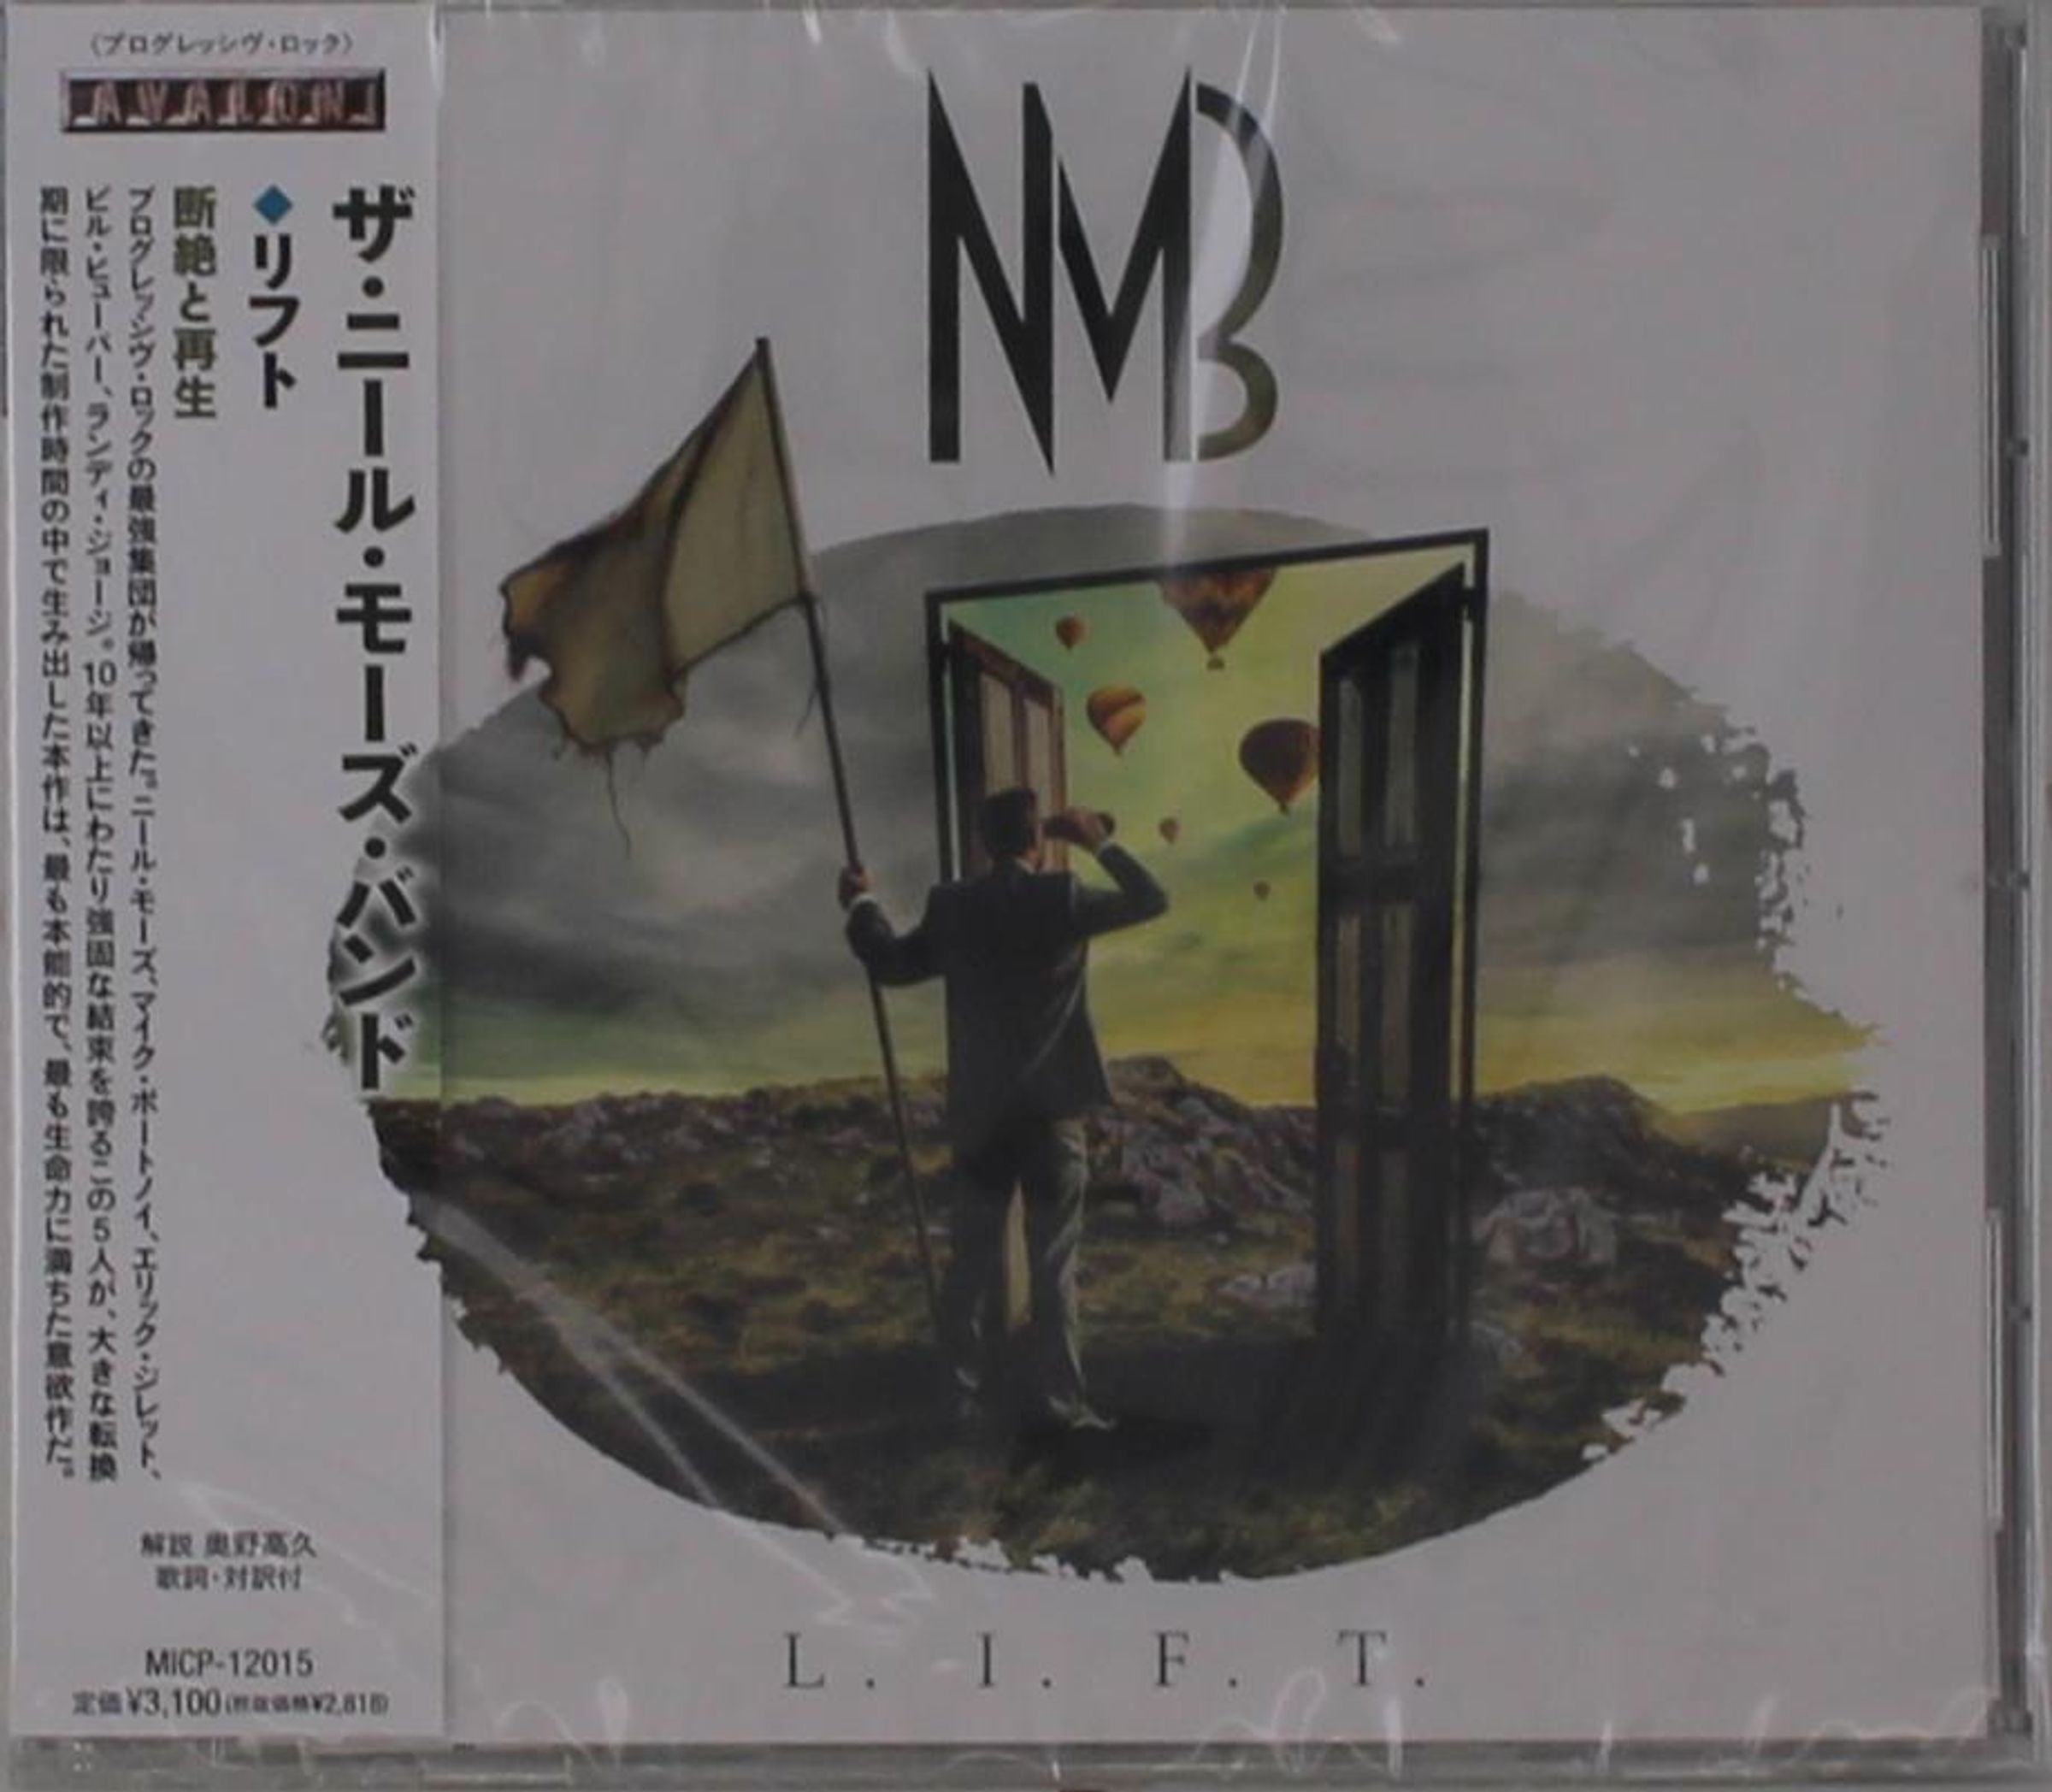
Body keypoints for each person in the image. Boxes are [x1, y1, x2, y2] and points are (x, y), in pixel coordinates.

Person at [838, 787, 1169, 1433]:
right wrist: (1098, 841)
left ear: (984, 842)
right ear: (1038, 841)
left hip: (983, 1116)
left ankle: (957, 1399)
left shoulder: (953, 905)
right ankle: (1062, 1405)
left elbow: (893, 964)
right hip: (1051, 1113)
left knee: (970, 1263)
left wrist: (862, 903)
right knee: (1053, 1267)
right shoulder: (1061, 897)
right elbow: (1151, 898)